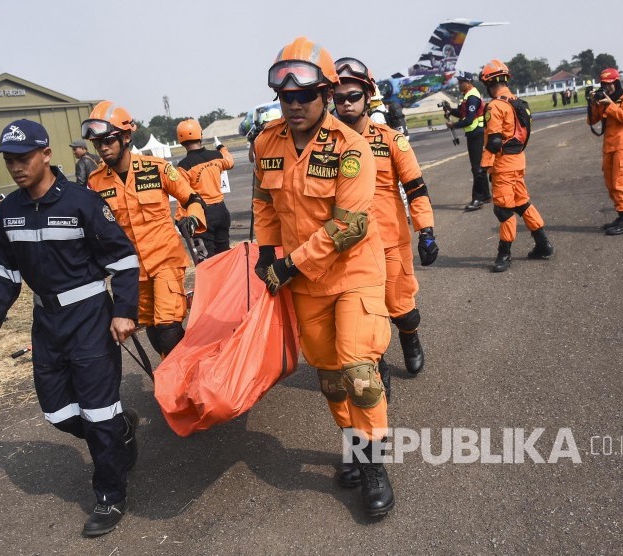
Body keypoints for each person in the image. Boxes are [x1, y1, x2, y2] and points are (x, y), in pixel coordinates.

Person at [0, 119, 140, 537]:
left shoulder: (83, 202)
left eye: (24, 158)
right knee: (57, 413)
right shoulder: (10, 210)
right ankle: (119, 431)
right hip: (46, 323)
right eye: (10, 160)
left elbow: (123, 259)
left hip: (89, 317)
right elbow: (3, 270)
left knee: (98, 411)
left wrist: (123, 310)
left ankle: (110, 494)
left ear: (46, 155)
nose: (16, 167)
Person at [253, 37, 394, 516]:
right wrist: (267, 251)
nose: (293, 104)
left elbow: (350, 225)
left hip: (353, 272)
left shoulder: (351, 147)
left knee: (359, 372)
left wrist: (288, 264)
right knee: (330, 378)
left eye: (304, 96)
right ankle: (353, 446)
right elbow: (264, 205)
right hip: (306, 285)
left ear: (326, 95)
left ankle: (374, 467)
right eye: (285, 97)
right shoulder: (264, 143)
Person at [334, 56, 438, 401]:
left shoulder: (392, 140)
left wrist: (426, 230)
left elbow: (416, 189)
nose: (346, 103)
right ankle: (378, 369)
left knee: (402, 309)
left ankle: (410, 336)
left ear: (367, 96)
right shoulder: (327, 144)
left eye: (353, 96)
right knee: (365, 319)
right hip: (349, 249)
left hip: (391, 243)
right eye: (339, 98)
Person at [82, 101, 206, 359]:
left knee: (169, 326)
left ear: (126, 136)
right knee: (151, 324)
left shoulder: (157, 168)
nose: (103, 148)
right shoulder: (94, 182)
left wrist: (191, 219)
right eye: (97, 143)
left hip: (166, 260)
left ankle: (185, 380)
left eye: (109, 141)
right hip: (130, 270)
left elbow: (193, 199)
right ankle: (173, 378)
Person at [479, 59, 553, 273]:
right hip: (518, 162)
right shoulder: (518, 103)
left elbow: (493, 141)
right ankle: (543, 244)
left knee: (503, 210)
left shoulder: (495, 106)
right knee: (522, 203)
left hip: (503, 166)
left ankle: (505, 254)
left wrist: (483, 167)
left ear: (488, 83)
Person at [175, 119, 235, 257]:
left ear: (180, 140)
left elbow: (181, 194)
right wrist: (221, 147)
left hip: (201, 214)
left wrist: (179, 220)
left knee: (206, 259)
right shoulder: (216, 156)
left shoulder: (183, 166)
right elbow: (230, 162)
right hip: (221, 210)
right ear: (200, 135)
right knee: (225, 255)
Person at [588, 68, 623, 235]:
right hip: (609, 147)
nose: (606, 88)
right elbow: (592, 120)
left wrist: (609, 104)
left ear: (616, 83)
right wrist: (593, 103)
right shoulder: (605, 99)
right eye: (603, 85)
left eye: (609, 84)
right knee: (610, 184)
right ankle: (621, 216)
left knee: (620, 183)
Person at [444, 71, 491, 210]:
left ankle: (477, 199)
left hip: (476, 134)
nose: (458, 84)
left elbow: (469, 120)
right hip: (473, 133)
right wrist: (451, 111)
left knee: (476, 168)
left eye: (461, 81)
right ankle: (486, 195)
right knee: (479, 166)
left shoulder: (472, 98)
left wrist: (453, 125)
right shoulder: (467, 96)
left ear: (468, 82)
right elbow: (462, 113)